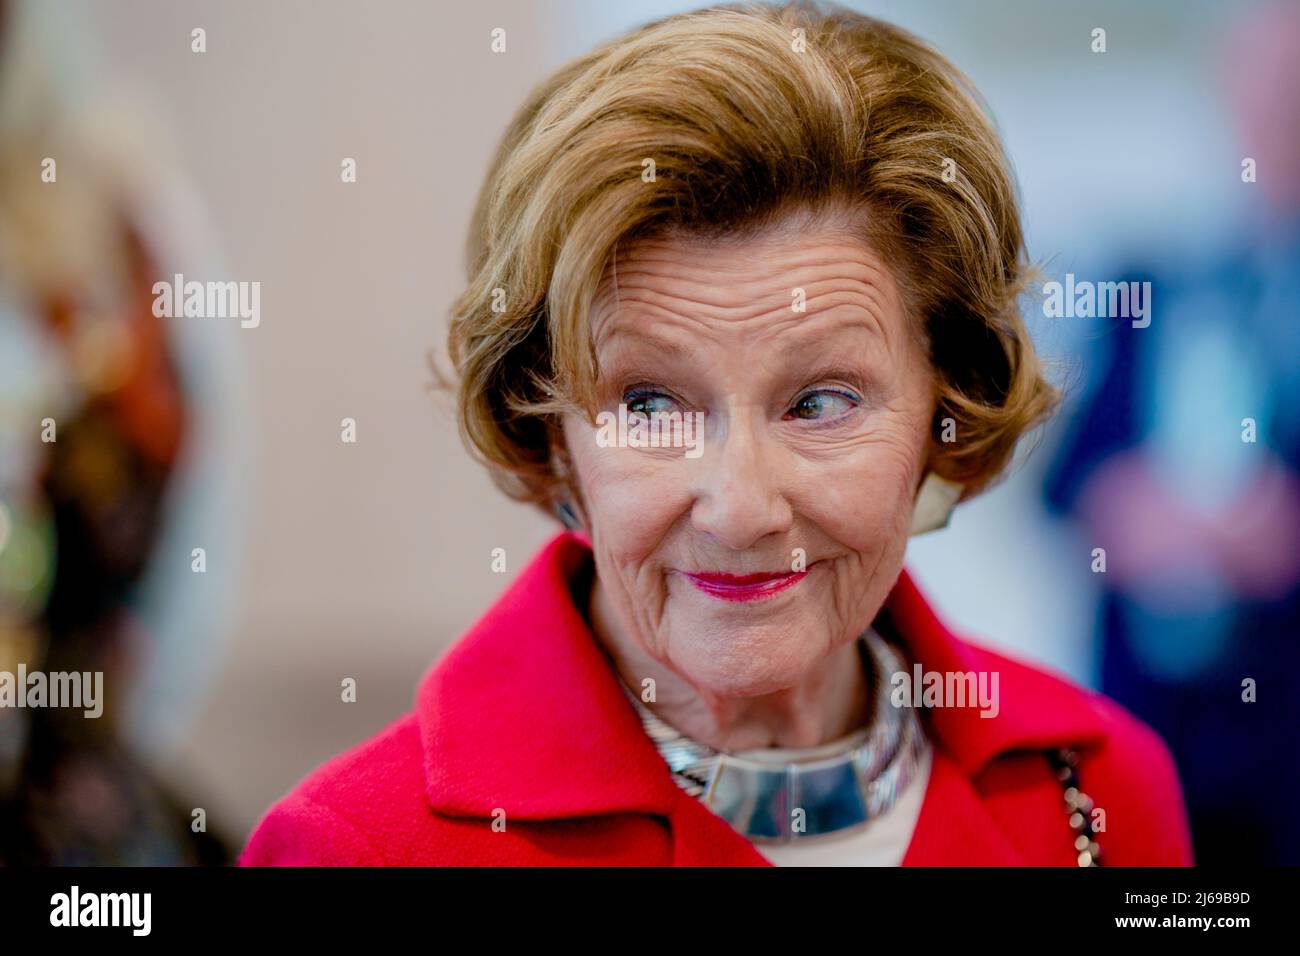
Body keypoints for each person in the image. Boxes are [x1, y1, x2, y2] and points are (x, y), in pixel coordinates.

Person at [241, 0, 1192, 866]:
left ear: (949, 410)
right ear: (549, 430)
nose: (740, 510)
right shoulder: (362, 849)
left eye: (821, 402)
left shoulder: (1099, 789)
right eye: (650, 405)